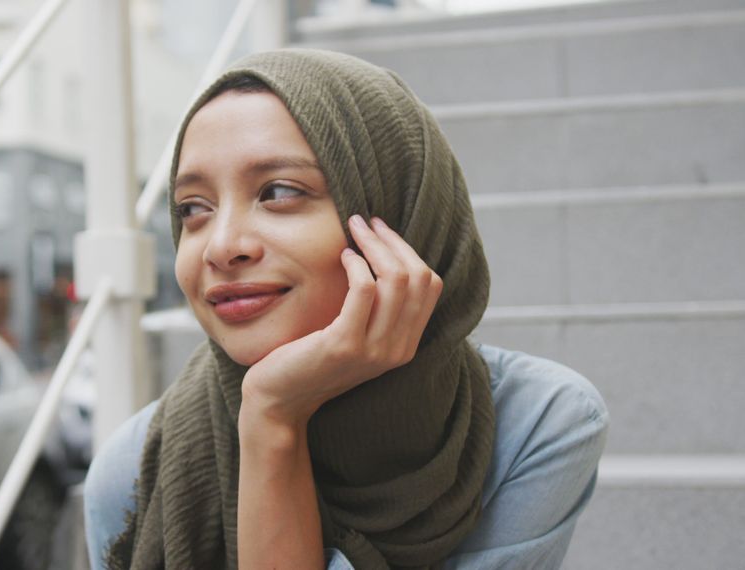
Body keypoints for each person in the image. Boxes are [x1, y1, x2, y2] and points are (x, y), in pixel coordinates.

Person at [85, 48, 609, 569]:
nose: (221, 246)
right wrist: (272, 417)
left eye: (279, 192)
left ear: (399, 215)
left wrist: (273, 415)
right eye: (193, 209)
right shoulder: (134, 470)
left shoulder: (536, 424)